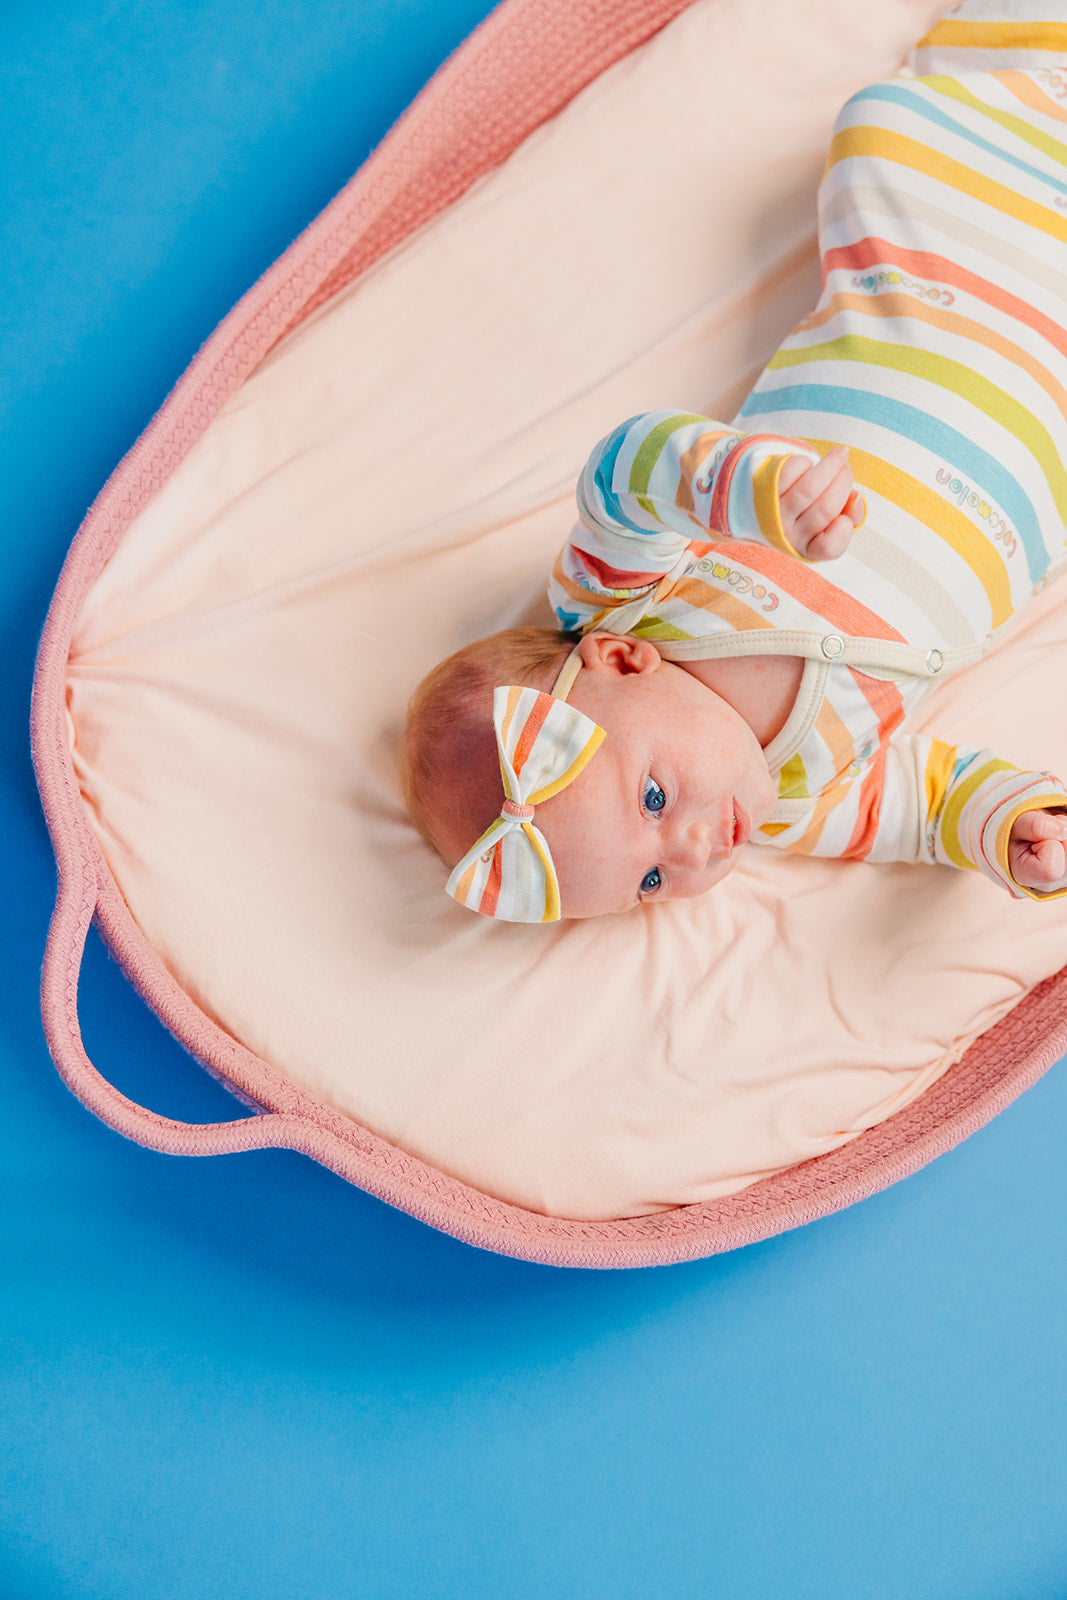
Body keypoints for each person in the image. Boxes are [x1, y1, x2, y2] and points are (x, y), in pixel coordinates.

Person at [401, 10, 1067, 922]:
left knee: (907, 140)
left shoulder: (630, 601)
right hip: (1052, 453)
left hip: (939, 301)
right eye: (650, 882)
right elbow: (922, 802)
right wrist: (1006, 828)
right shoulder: (801, 800)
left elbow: (628, 472)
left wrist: (757, 492)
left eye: (651, 801)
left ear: (621, 663)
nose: (691, 853)